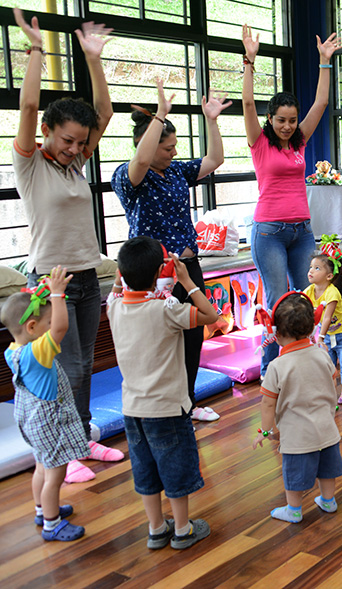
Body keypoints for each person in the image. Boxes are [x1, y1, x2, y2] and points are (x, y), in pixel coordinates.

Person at [12, 8, 123, 484]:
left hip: (87, 274)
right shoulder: (31, 165)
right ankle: (62, 448)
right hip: (50, 280)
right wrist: (36, 50)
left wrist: (93, 58)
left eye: (80, 143)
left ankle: (79, 436)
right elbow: (29, 108)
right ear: (46, 135)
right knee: (61, 369)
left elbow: (105, 114)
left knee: (84, 365)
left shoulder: (74, 165)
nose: (75, 149)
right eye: (66, 141)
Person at [111, 79, 232, 422]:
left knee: (193, 335)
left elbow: (215, 158)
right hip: (153, 273)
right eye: (167, 147)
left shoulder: (177, 171)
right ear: (146, 146)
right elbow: (139, 164)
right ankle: (163, 407)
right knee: (160, 340)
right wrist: (160, 116)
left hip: (187, 266)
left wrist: (211, 119)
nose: (174, 152)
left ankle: (187, 402)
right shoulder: (129, 176)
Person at [241, 24, 341, 377]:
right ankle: (274, 366)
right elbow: (248, 102)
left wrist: (324, 61)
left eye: (291, 120)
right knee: (279, 299)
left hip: (302, 232)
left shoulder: (298, 142)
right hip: (269, 232)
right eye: (280, 120)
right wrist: (249, 61)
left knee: (308, 296)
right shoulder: (259, 143)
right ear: (270, 120)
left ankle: (306, 361)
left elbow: (322, 102)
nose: (287, 126)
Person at [106, 236, 219, 549]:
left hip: (132, 410)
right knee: (175, 469)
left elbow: (116, 291)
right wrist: (187, 281)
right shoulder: (166, 311)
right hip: (168, 409)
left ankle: (156, 528)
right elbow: (212, 317)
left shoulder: (115, 308)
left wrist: (121, 277)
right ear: (160, 272)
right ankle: (182, 529)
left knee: (145, 470)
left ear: (121, 273)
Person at [1, 267, 89, 541]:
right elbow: (63, 327)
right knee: (55, 475)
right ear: (31, 328)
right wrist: (58, 294)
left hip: (32, 422)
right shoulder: (38, 351)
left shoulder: (13, 351)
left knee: (41, 467)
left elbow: (53, 325)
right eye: (47, 322)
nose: (53, 326)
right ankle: (52, 524)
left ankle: (42, 510)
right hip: (50, 424)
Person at [252, 292, 342, 523]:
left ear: (277, 333)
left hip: (296, 435)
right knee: (327, 469)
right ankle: (328, 501)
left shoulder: (276, 366)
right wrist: (331, 407)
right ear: (312, 327)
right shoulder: (322, 354)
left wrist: (266, 430)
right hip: (326, 428)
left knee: (293, 473)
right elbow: (334, 380)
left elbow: (267, 402)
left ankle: (293, 509)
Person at [304, 239, 342, 404]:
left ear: (329, 276)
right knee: (328, 364)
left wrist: (320, 336)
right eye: (311, 267)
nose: (311, 271)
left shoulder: (332, 293)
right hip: (327, 335)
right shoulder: (309, 290)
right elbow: (303, 308)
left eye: (317, 268)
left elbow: (327, 316)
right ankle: (328, 392)